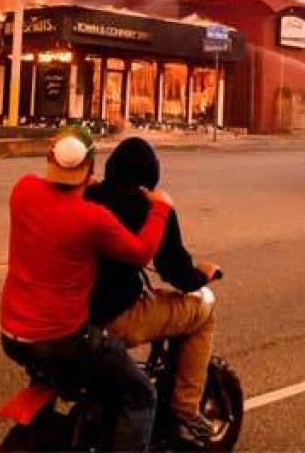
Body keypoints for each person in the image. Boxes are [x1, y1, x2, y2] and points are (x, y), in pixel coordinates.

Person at [0, 126, 173, 451]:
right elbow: (141, 252)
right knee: (140, 396)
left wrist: (78, 185)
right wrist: (161, 208)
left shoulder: (22, 190)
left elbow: (50, 196)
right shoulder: (92, 219)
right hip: (66, 339)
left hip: (12, 336)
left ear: (50, 159)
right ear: (91, 168)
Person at [86, 137, 222, 450]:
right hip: (117, 315)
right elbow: (176, 272)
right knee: (202, 313)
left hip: (76, 311)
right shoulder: (152, 207)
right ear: (152, 174)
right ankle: (186, 410)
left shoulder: (87, 194)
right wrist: (203, 274)